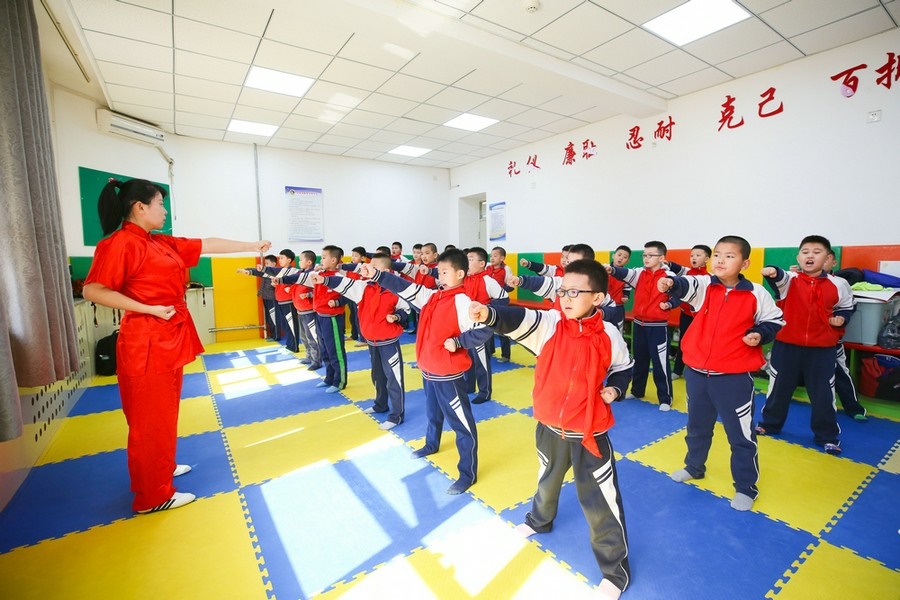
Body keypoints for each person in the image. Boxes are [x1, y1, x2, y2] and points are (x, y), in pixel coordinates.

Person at [83, 178, 270, 514]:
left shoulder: (157, 241)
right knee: (149, 422)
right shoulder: (120, 243)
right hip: (146, 342)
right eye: (160, 203)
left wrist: (252, 244)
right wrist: (148, 309)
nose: (164, 211)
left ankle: (162, 468)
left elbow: (206, 243)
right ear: (140, 207)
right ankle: (153, 497)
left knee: (163, 414)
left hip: (167, 338)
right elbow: (93, 290)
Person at [470, 259, 633, 599]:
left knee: (601, 501)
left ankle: (615, 571)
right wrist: (490, 315)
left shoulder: (610, 334)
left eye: (575, 292)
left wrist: (615, 389)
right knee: (546, 479)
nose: (565, 298)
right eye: (562, 291)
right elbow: (520, 317)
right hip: (549, 426)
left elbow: (623, 368)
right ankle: (539, 520)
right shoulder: (551, 324)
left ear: (597, 298)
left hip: (590, 432)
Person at [658, 236, 784, 512]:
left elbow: (775, 320)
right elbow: (686, 285)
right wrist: (670, 283)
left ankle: (746, 487)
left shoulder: (756, 293)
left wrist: (759, 334)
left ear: (745, 263)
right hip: (697, 373)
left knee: (740, 435)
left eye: (729, 256)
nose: (720, 260)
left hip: (733, 377)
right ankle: (694, 467)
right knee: (696, 427)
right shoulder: (705, 285)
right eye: (717, 255)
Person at [359, 249, 493, 495]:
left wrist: (459, 342)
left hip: (449, 374)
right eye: (438, 272)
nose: (440, 276)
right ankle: (431, 444)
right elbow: (403, 287)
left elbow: (485, 329)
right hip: (429, 370)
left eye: (445, 272)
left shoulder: (463, 301)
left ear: (460, 274)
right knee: (433, 414)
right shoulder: (432, 296)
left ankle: (467, 473)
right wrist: (377, 275)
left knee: (461, 424)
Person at [757, 235, 856, 454]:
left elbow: (847, 307)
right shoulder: (790, 279)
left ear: (827, 258)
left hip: (822, 349)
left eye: (816, 252)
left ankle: (827, 436)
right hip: (787, 345)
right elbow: (779, 277)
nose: (810, 256)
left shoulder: (839, 284)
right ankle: (769, 424)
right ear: (798, 257)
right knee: (778, 387)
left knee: (823, 393)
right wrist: (772, 271)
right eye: (805, 252)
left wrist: (842, 318)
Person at [310, 254, 410, 429]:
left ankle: (396, 416)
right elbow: (343, 283)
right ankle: (380, 404)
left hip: (388, 342)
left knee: (394, 378)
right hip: (372, 341)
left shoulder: (396, 290)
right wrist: (323, 280)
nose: (368, 269)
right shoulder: (364, 287)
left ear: (386, 271)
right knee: (377, 376)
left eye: (374, 267)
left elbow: (406, 311)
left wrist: (397, 317)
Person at [607, 241, 679, 410]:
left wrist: (669, 304)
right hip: (639, 324)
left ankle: (665, 398)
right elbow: (625, 273)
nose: (646, 258)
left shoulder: (669, 276)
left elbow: (677, 297)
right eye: (644, 255)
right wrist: (611, 269)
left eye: (650, 255)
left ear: (661, 258)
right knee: (639, 360)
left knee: (660, 364)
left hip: (658, 326)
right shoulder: (639, 273)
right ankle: (637, 391)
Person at [282, 245, 349, 392]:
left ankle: (339, 381)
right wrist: (281, 280)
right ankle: (329, 377)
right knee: (324, 350)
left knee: (335, 351)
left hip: (332, 318)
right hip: (320, 316)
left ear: (333, 260)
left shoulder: (339, 277)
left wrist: (337, 302)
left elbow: (349, 296)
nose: (321, 260)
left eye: (324, 257)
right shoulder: (319, 275)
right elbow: (302, 280)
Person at [667, 244, 711, 379]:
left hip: (701, 316)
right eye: (692, 255)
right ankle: (677, 370)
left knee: (699, 343)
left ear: (707, 259)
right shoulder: (687, 273)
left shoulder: (709, 277)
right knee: (684, 342)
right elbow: (676, 268)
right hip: (686, 315)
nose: (694, 258)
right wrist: (667, 263)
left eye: (698, 255)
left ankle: (697, 370)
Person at [486, 246, 514, 362]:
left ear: (502, 258)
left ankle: (505, 355)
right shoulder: (487, 268)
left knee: (501, 328)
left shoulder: (506, 269)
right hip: (489, 301)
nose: (492, 258)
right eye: (491, 256)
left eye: (495, 256)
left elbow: (511, 286)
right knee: (488, 326)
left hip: (501, 301)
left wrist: (499, 291)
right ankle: (490, 351)